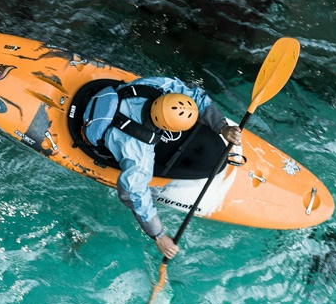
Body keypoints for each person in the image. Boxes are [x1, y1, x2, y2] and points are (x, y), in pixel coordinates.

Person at [82, 77, 242, 259]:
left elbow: (192, 92)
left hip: (110, 97)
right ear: (168, 131)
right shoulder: (139, 155)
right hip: (102, 133)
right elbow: (131, 192)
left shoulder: (153, 85)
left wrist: (222, 127)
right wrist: (159, 236)